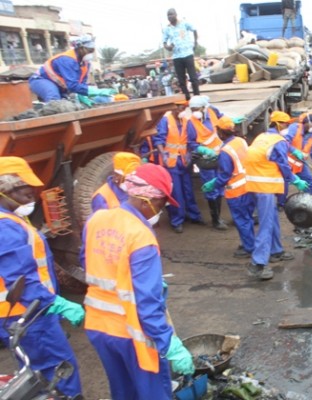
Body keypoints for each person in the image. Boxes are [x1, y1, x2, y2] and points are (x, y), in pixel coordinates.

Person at [82, 163, 195, 399]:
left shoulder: (97, 219)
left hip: (99, 327)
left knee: (124, 392)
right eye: (162, 202)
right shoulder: (140, 236)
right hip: (132, 334)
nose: (162, 210)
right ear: (147, 200)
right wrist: (169, 344)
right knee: (152, 393)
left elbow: (88, 262)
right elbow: (147, 304)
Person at [0, 157, 83, 397]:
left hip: (27, 314)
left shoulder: (12, 218)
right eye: (26, 189)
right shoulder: (5, 227)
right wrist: (55, 304)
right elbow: (20, 279)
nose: (33, 194)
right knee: (59, 372)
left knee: (40, 373)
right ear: (5, 189)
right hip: (27, 315)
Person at [245, 111, 309, 280]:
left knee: (272, 217)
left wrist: (294, 151)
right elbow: (283, 165)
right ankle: (258, 264)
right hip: (264, 187)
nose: (288, 128)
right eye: (287, 125)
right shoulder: (278, 141)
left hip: (254, 183)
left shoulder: (263, 136)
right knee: (266, 224)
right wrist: (295, 180)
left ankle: (276, 251)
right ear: (279, 125)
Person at [202, 116, 256, 258]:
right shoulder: (241, 141)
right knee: (248, 217)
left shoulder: (226, 151)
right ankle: (249, 241)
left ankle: (249, 247)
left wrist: (213, 185)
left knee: (241, 220)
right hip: (249, 186)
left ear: (220, 132)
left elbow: (225, 175)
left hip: (237, 192)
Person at [152, 100, 205, 233]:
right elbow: (158, 139)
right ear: (173, 108)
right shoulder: (165, 121)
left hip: (184, 162)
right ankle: (177, 220)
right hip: (171, 163)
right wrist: (162, 152)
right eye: (178, 109)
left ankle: (193, 215)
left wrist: (191, 154)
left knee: (188, 190)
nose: (179, 112)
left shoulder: (187, 122)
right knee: (176, 192)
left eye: (182, 109)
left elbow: (191, 141)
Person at [28, 34, 115, 106]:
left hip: (59, 85)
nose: (90, 53)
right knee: (54, 100)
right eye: (89, 50)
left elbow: (81, 84)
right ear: (80, 49)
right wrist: (94, 91)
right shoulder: (67, 60)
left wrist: (83, 96)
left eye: (92, 50)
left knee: (67, 104)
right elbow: (72, 85)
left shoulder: (86, 64)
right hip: (41, 80)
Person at [188, 95, 228, 230]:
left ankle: (219, 217)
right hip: (205, 159)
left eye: (197, 108)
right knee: (211, 188)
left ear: (204, 107)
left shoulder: (212, 111)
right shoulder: (191, 122)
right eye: (192, 109)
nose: (195, 111)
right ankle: (215, 220)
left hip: (219, 154)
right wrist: (202, 149)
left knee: (220, 184)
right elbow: (191, 143)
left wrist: (230, 122)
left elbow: (221, 120)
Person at [283, 112, 312, 204]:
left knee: (309, 181)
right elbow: (284, 142)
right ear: (307, 123)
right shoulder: (294, 128)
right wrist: (293, 150)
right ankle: (281, 203)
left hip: (300, 164)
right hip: (285, 163)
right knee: (283, 185)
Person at [162, 8, 200, 100]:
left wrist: (195, 42)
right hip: (177, 57)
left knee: (193, 78)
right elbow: (164, 42)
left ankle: (197, 96)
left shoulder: (184, 23)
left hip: (188, 54)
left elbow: (194, 30)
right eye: (168, 15)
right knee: (181, 80)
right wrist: (168, 47)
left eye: (171, 14)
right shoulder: (167, 29)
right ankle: (187, 97)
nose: (169, 17)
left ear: (176, 14)